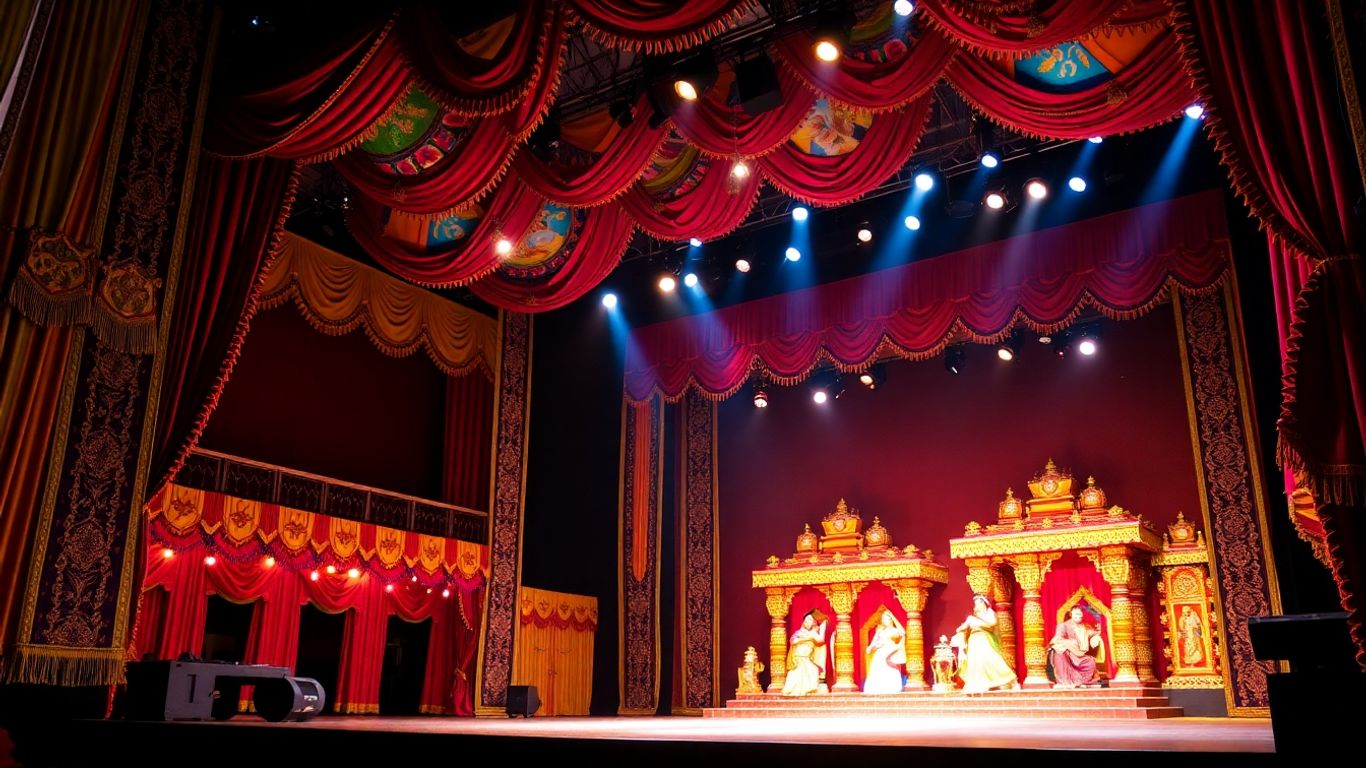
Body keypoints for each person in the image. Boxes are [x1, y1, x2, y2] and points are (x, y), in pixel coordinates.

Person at [955, 594, 1018, 694]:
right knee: (976, 662)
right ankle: (980, 684)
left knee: (990, 659)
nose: (976, 605)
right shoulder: (972, 617)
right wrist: (962, 629)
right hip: (974, 640)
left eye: (979, 603)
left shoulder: (989, 613)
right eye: (975, 604)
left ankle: (1006, 678)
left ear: (984, 603)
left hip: (984, 639)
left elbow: (992, 623)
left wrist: (979, 622)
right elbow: (962, 627)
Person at [1050, 605, 1102, 688]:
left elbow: (1093, 633)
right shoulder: (1063, 625)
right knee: (1059, 652)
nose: (1079, 616)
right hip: (1068, 652)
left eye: (1080, 615)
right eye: (1076, 614)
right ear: (1071, 614)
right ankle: (1065, 682)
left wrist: (1095, 637)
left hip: (1079, 654)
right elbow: (1058, 638)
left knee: (1090, 662)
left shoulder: (1085, 626)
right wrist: (1069, 643)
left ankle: (1082, 682)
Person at [781, 610, 828, 697]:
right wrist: (806, 638)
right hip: (798, 659)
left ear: (814, 623)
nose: (807, 622)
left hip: (807, 659)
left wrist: (822, 627)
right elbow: (793, 641)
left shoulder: (813, 634)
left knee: (813, 671)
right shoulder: (799, 633)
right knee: (794, 677)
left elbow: (821, 640)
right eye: (806, 620)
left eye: (810, 620)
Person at [862, 610, 906, 694]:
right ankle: (877, 688)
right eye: (883, 619)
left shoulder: (895, 630)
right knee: (877, 668)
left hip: (889, 653)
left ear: (890, 620)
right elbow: (875, 641)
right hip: (880, 652)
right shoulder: (880, 630)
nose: (883, 621)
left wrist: (893, 616)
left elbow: (903, 632)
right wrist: (870, 647)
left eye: (885, 619)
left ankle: (891, 687)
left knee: (890, 669)